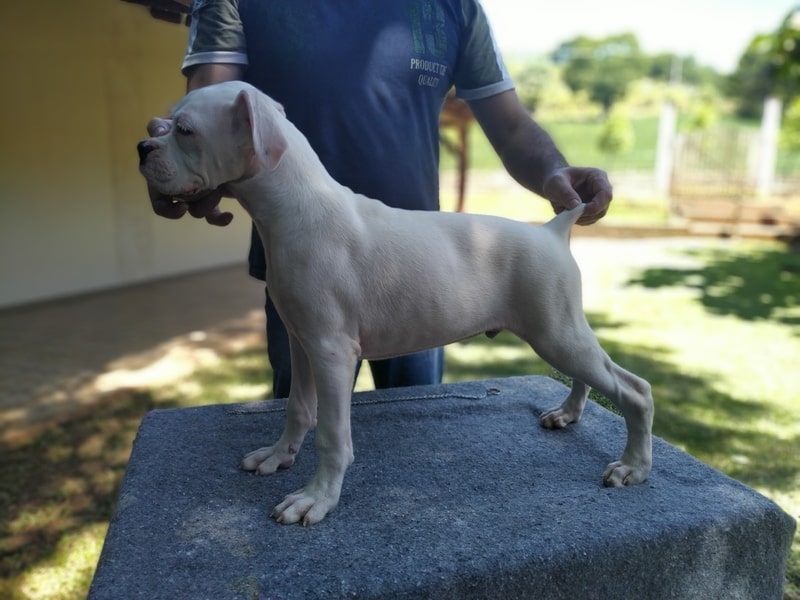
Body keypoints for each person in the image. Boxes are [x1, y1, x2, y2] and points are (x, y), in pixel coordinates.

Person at [148, 0, 613, 399]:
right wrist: (180, 170)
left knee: (413, 436)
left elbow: (510, 127)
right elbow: (205, 109)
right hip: (300, 261)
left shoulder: (453, 6)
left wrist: (554, 171)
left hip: (424, 266)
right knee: (304, 429)